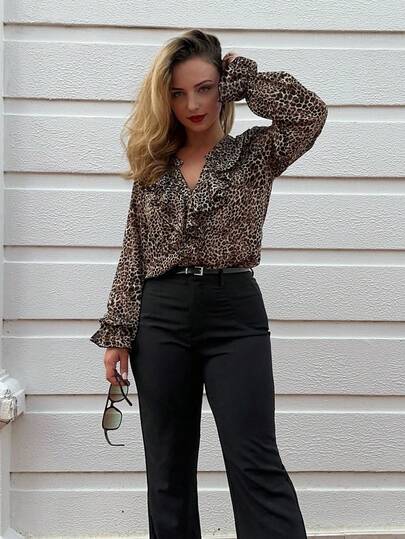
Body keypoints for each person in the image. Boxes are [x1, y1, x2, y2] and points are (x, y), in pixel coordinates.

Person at [90, 28, 327, 539]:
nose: (193, 104)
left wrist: (245, 78)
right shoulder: (154, 165)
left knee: (254, 458)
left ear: (223, 87)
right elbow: (135, 249)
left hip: (233, 312)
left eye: (205, 88)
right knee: (167, 467)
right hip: (161, 317)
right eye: (178, 93)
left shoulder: (257, 152)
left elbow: (309, 114)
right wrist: (117, 332)